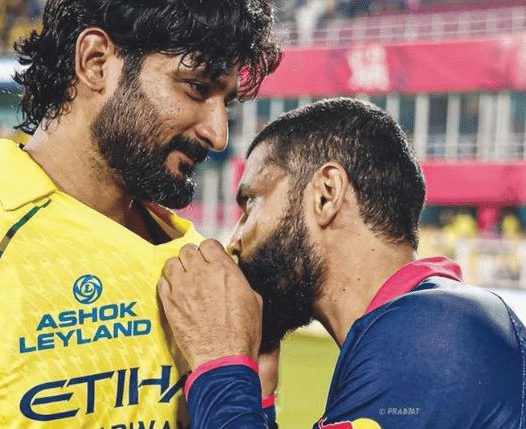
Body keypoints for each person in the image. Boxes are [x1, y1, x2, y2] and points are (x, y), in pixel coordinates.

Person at [0, 0, 281, 428]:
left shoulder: (203, 272)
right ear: (95, 61)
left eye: (226, 104)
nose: (218, 134)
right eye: (196, 88)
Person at [158, 98, 526, 429]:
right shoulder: (426, 321)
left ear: (326, 194)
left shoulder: (434, 333)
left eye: (251, 202)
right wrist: (258, 396)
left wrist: (221, 363)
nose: (235, 239)